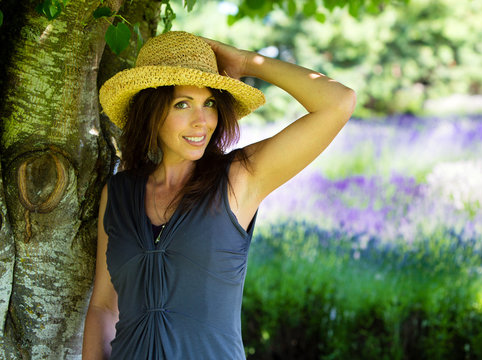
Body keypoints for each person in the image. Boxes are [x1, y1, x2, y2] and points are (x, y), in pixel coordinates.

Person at [82, 31, 355, 359]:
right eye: (182, 104)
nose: (202, 121)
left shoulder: (240, 177)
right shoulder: (118, 193)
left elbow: (338, 102)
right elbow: (103, 307)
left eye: (209, 103)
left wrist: (246, 62)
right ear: (151, 112)